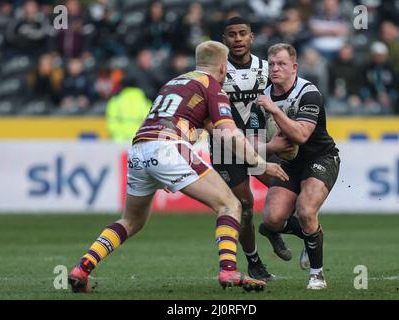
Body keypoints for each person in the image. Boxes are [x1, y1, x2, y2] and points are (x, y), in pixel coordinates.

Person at [68, 40, 288, 293]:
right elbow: (229, 134)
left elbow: (199, 127)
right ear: (222, 66)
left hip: (139, 148)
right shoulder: (212, 86)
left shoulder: (174, 83)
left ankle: (82, 269)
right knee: (230, 204)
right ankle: (228, 270)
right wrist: (261, 163)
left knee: (131, 220)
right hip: (169, 147)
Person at [211, 17, 306, 281]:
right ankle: (254, 263)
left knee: (291, 192)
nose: (238, 39)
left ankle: (275, 228)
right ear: (224, 39)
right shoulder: (216, 72)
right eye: (232, 35)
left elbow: (288, 96)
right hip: (225, 149)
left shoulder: (267, 69)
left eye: (243, 34)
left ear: (252, 37)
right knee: (244, 207)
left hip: (262, 143)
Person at [256, 43, 340, 290]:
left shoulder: (308, 92)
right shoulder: (261, 97)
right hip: (289, 162)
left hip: (321, 158)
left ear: (294, 67)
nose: (275, 69)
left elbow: (302, 136)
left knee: (305, 210)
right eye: (271, 64)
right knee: (271, 220)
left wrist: (274, 110)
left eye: (281, 64)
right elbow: (255, 145)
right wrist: (270, 148)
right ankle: (308, 234)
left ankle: (317, 275)